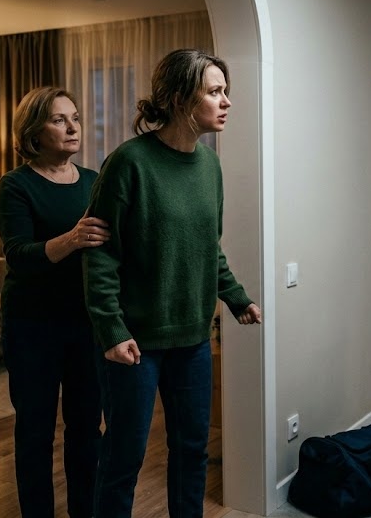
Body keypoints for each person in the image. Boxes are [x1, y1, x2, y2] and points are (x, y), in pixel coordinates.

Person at [84, 48, 263, 518]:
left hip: (193, 340)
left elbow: (208, 246)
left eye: (226, 91)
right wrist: (111, 330)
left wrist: (236, 298)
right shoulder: (129, 162)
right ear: (181, 97)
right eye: (215, 91)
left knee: (191, 451)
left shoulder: (209, 166)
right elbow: (100, 255)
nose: (226, 101)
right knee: (123, 457)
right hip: (134, 343)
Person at [0, 86, 111, 517]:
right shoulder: (16, 185)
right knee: (35, 434)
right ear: (33, 131)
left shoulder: (94, 182)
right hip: (32, 327)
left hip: (86, 325)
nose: (73, 126)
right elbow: (19, 256)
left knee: (86, 430)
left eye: (75, 117)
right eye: (59, 119)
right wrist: (72, 239)